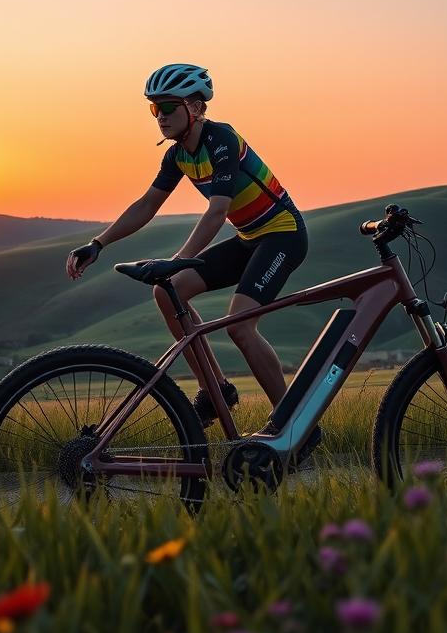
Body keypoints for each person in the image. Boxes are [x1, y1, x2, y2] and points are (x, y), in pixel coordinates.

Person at [65, 63, 320, 462]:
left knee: (240, 325)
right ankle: (216, 389)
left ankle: (296, 423)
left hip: (282, 235)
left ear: (196, 107)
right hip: (249, 238)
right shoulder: (178, 155)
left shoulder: (221, 139)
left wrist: (179, 258)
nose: (160, 117)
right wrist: (99, 243)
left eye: (167, 107)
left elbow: (218, 210)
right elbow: (148, 204)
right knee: (169, 293)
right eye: (154, 110)